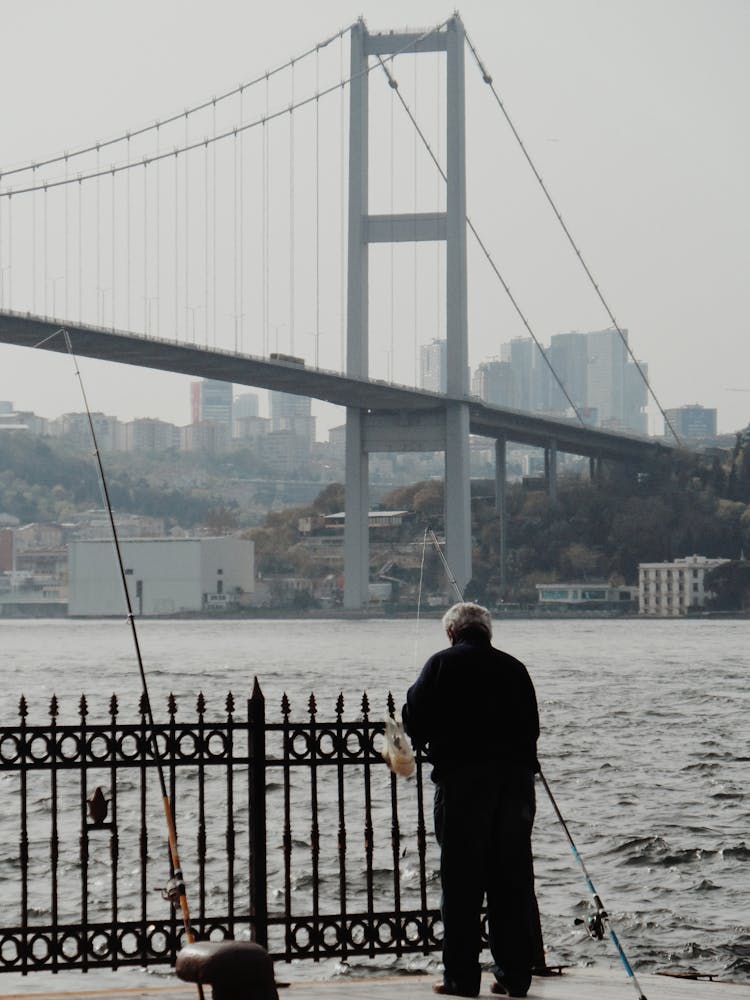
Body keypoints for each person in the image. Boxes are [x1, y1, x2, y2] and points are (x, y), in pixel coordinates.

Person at [402, 602, 540, 999]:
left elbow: (415, 719)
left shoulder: (441, 664)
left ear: (451, 633)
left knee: (462, 886)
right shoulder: (515, 668)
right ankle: (515, 976)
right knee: (511, 883)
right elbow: (532, 727)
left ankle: (461, 979)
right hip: (514, 788)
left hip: (463, 786)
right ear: (488, 632)